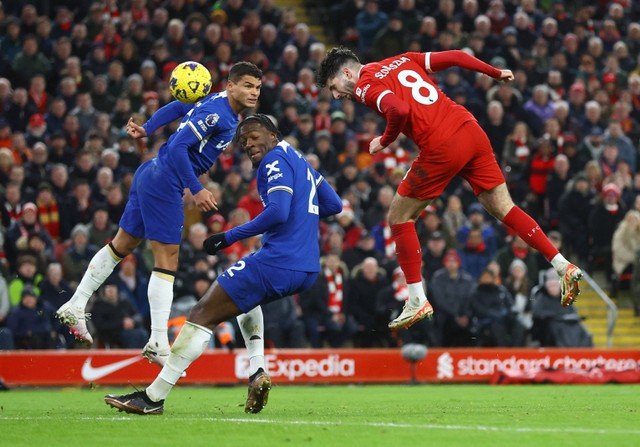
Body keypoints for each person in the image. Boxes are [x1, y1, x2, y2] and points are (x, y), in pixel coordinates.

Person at [317, 47, 584, 331]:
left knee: (398, 217)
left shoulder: (364, 84)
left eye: (334, 87)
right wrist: (493, 72)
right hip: (470, 129)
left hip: (441, 145)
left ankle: (417, 299)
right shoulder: (401, 60)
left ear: (347, 72)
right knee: (505, 208)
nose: (336, 96)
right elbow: (457, 55)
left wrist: (384, 140)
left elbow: (399, 109)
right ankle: (562, 265)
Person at [104, 114, 342, 415]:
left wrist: (228, 236)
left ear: (272, 133)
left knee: (202, 312)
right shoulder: (298, 160)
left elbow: (279, 212)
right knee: (243, 297)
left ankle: (153, 397)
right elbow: (334, 204)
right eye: (243, 141)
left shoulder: (274, 161)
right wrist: (300, 224)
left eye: (254, 136)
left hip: (278, 261)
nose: (249, 144)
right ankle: (257, 370)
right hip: (306, 267)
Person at [56, 63, 263, 367]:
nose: (253, 92)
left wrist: (147, 127)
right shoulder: (218, 113)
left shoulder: (215, 101)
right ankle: (156, 340)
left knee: (121, 246)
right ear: (231, 85)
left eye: (257, 87)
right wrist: (196, 188)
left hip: (152, 173)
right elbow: (179, 146)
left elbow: (180, 105)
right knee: (167, 260)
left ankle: (76, 303)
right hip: (167, 181)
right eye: (247, 85)